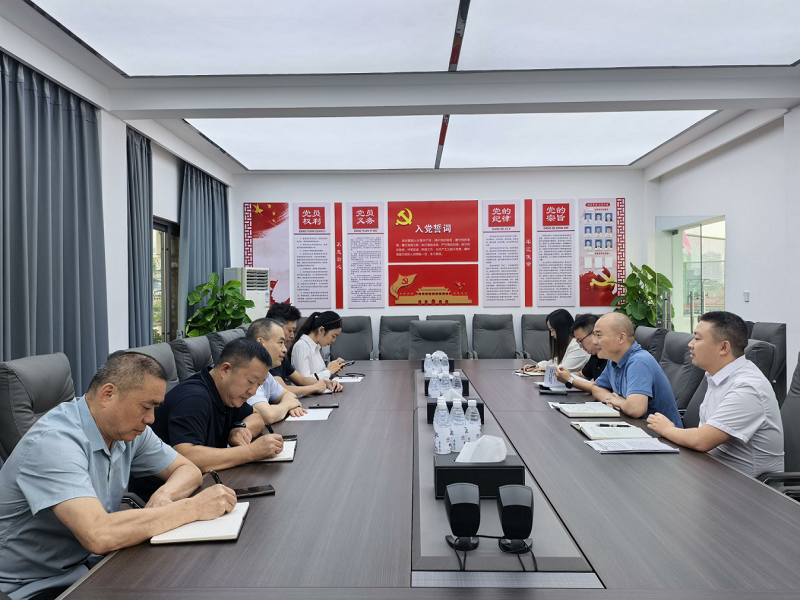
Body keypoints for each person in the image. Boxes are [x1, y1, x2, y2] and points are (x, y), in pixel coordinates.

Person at [0, 352, 237, 600]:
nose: (151, 419)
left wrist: (164, 496)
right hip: (28, 586)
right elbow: (98, 535)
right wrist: (192, 508)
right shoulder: (54, 442)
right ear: (108, 394)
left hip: (84, 569)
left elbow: (188, 470)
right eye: (145, 407)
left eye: (154, 408)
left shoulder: (128, 431)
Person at [130, 338, 284, 499]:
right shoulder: (194, 398)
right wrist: (251, 452)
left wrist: (241, 428)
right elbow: (187, 456)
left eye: (259, 385)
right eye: (251, 382)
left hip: (202, 483)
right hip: (162, 497)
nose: (253, 391)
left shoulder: (228, 393)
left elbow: (256, 416)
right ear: (225, 370)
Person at [647, 311, 784, 477]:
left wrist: (667, 429)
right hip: (711, 470)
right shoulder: (716, 376)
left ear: (724, 347)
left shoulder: (747, 387)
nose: (690, 344)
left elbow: (702, 440)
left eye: (697, 339)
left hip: (746, 486)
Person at [592, 313, 682, 426]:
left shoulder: (639, 361)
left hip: (660, 434)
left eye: (599, 335)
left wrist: (619, 401)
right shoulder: (614, 360)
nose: (594, 341)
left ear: (621, 338)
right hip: (635, 426)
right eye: (594, 335)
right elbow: (596, 387)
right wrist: (610, 398)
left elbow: (635, 409)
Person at [266, 303, 342, 394]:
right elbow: (281, 389)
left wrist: (326, 382)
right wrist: (315, 387)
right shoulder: (267, 357)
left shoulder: (280, 357)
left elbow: (301, 379)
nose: (292, 335)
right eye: (290, 330)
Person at [245, 317, 310, 423]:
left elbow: (288, 394)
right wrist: (288, 405)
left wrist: (290, 405)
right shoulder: (247, 374)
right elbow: (268, 415)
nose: (285, 349)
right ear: (260, 343)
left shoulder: (266, 374)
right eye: (280, 343)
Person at [521, 309, 590, 373]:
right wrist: (537, 366)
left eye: (552, 330)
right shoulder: (568, 344)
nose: (551, 334)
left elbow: (562, 370)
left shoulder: (578, 346)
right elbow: (555, 362)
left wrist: (540, 369)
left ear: (561, 329)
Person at [555, 313, 607, 392]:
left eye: (580, 341)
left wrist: (570, 379)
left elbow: (599, 388)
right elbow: (582, 375)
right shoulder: (595, 355)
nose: (580, 346)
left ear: (594, 334)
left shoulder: (610, 357)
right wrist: (563, 376)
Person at [290, 311, 346, 380]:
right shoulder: (302, 346)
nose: (333, 340)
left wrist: (332, 371)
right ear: (321, 330)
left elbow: (318, 375)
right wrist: (328, 371)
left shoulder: (316, 347)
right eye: (333, 336)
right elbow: (304, 381)